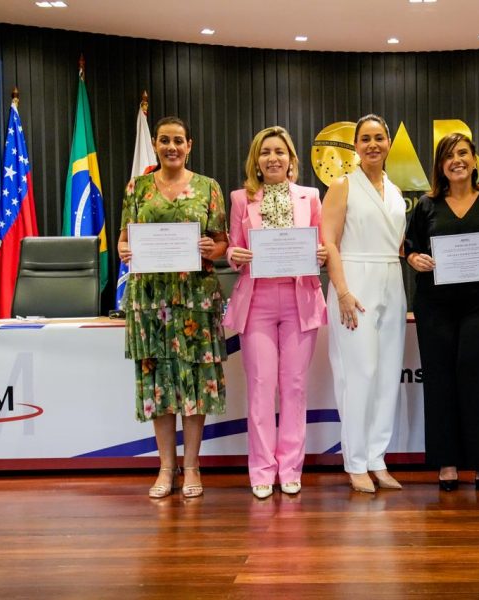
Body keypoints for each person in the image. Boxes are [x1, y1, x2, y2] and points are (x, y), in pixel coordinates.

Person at [117, 116, 229, 499]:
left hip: (195, 299)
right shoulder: (138, 188)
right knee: (160, 386)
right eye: (164, 140)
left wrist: (209, 249)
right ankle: (166, 467)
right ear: (156, 143)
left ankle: (193, 466)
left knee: (195, 385)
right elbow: (122, 240)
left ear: (189, 144)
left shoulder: (208, 188)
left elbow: (222, 244)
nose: (171, 147)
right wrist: (125, 250)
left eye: (178, 141)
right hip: (151, 302)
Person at [405, 133, 479, 492]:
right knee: (439, 381)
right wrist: (414, 259)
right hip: (435, 306)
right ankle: (447, 462)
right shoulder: (425, 205)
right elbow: (410, 248)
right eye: (449, 156)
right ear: (440, 165)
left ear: (474, 159)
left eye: (463, 154)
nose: (457, 160)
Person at [223, 126, 327, 500]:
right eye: (265, 152)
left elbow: (322, 244)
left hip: (300, 298)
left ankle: (290, 468)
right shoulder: (240, 199)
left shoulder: (311, 196)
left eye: (279, 152)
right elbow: (232, 249)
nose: (273, 158)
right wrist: (234, 256)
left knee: (295, 387)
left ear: (291, 159)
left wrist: (321, 254)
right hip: (258, 301)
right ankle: (262, 470)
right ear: (256, 159)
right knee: (262, 388)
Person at [322, 114, 407, 494]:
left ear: (388, 142)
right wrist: (341, 290)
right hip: (354, 282)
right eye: (365, 139)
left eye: (379, 138)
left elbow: (399, 244)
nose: (373, 144)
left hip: (392, 278)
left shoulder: (394, 188)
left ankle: (377, 458)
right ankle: (355, 461)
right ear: (355, 146)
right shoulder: (342, 185)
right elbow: (330, 243)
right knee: (360, 373)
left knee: (388, 375)